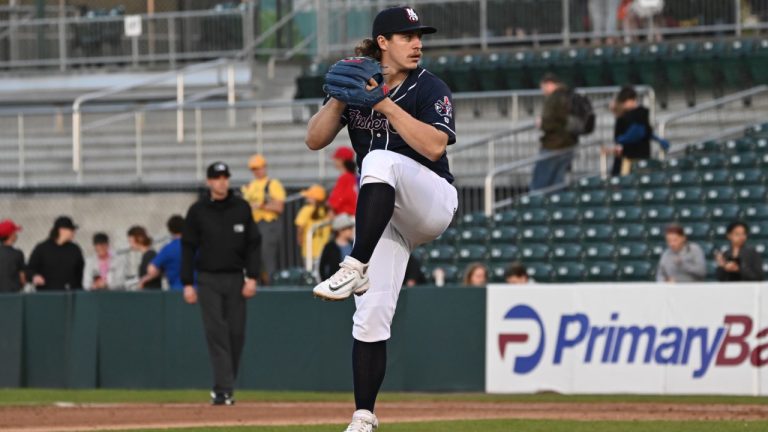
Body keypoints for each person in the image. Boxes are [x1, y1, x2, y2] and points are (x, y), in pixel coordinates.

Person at [305, 6, 458, 431]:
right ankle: (363, 417)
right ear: (383, 43)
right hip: (382, 215)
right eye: (408, 36)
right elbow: (315, 139)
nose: (418, 43)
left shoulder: (430, 87)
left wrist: (385, 105)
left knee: (378, 160)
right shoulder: (358, 81)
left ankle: (354, 265)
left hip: (431, 200)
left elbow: (433, 148)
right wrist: (339, 96)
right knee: (369, 316)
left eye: (419, 36)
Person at [182, 161, 261, 406]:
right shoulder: (197, 211)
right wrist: (187, 283)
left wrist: (253, 277)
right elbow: (188, 247)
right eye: (216, 177)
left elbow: (254, 244)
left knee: (236, 334)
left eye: (224, 177)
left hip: (236, 279)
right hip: (207, 279)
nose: (221, 181)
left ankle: (224, 387)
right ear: (208, 181)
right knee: (217, 333)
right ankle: (224, 389)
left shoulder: (241, 207)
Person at [241, 154, 286, 284]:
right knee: (254, 259)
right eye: (254, 168)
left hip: (268, 224)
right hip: (253, 225)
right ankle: (257, 286)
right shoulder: (250, 185)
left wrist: (261, 205)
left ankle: (271, 287)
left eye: (259, 167)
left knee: (267, 259)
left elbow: (279, 207)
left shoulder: (272, 184)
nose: (257, 171)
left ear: (265, 167)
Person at [607, 86, 669, 176]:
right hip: (627, 157)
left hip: (640, 156)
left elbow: (644, 132)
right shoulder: (622, 116)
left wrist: (658, 139)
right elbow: (619, 138)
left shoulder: (640, 113)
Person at [531, 74, 577, 192]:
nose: (542, 91)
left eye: (543, 87)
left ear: (549, 84)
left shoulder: (554, 98)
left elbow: (552, 122)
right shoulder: (571, 95)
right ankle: (555, 208)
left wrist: (541, 123)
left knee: (540, 183)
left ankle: (535, 208)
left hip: (554, 145)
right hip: (570, 144)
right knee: (558, 183)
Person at [27, 216, 85, 291]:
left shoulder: (75, 249)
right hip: (47, 295)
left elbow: (80, 272)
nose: (74, 232)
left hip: (70, 296)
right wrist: (34, 276)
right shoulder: (42, 248)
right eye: (71, 230)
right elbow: (29, 269)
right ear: (61, 230)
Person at [140, 214, 185, 291]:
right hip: (200, 291)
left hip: (177, 292)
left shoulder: (169, 248)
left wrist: (145, 278)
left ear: (170, 230)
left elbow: (151, 269)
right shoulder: (196, 245)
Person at [295, 184, 332, 265]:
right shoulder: (327, 210)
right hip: (324, 249)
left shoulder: (306, 209)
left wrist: (299, 238)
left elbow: (300, 226)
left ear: (314, 198)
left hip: (309, 250)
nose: (307, 198)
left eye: (309, 196)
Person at [319, 213, 356, 280]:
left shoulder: (353, 244)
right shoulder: (330, 247)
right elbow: (322, 267)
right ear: (340, 230)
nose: (351, 230)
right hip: (335, 283)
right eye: (349, 228)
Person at [126, 225, 160, 290]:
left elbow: (157, 271)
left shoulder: (150, 254)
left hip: (152, 295)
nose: (130, 245)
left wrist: (143, 280)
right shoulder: (146, 255)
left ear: (139, 238)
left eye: (131, 241)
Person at [328, 146, 359, 216]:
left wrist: (331, 211)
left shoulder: (344, 177)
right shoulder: (353, 176)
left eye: (336, 158)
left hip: (346, 216)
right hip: (354, 216)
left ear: (341, 160)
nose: (334, 161)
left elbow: (336, 200)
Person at [0, 219, 25, 293]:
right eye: (14, 232)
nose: (16, 234)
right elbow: (22, 278)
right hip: (13, 295)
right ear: (10, 235)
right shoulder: (17, 254)